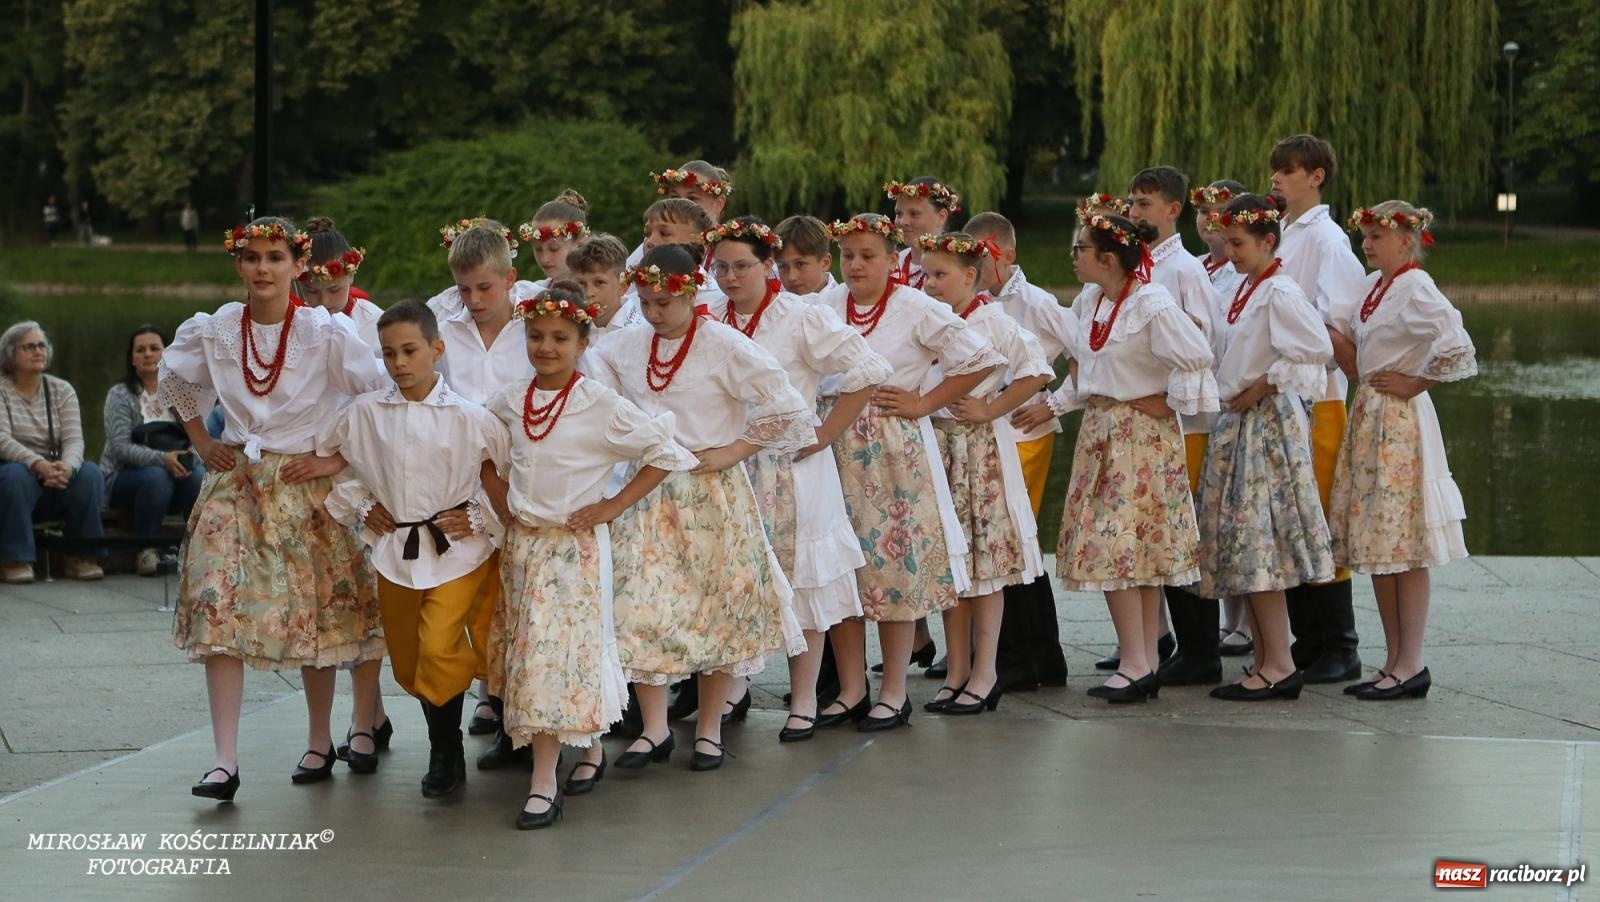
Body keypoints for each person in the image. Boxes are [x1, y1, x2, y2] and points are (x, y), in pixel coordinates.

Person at [162, 217, 387, 801]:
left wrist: (334, 459)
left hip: (301, 481)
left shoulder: (324, 330)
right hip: (236, 482)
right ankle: (224, 760)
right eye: (252, 257)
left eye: (275, 258)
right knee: (217, 606)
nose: (262, 268)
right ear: (238, 263)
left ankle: (319, 739)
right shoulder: (216, 327)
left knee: (316, 611)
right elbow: (175, 378)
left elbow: (378, 394)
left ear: (297, 266)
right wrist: (201, 440)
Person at [589, 244, 812, 771]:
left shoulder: (724, 345)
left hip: (712, 492)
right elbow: (604, 402)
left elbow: (787, 405)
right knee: (640, 607)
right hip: (650, 491)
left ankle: (710, 728)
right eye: (645, 302)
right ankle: (655, 728)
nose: (653, 312)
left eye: (664, 302)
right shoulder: (622, 347)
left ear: (690, 292)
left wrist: (734, 450)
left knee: (718, 609)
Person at [483, 283, 698, 828]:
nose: (546, 347)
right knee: (533, 656)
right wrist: (498, 494)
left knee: (554, 659)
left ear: (582, 343)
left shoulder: (598, 404)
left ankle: (542, 782)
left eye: (560, 338)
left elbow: (665, 452)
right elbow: (482, 449)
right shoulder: (510, 400)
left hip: (573, 550)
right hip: (522, 548)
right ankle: (591, 747)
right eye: (536, 336)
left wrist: (613, 504)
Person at [703, 217, 893, 741]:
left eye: (743, 266)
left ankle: (805, 697)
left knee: (804, 580)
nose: (730, 278)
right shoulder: (709, 316)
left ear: (767, 265)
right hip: (732, 460)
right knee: (733, 574)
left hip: (793, 461)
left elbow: (868, 369)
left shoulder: (799, 316)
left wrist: (825, 433)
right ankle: (733, 686)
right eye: (722, 267)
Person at [814, 214, 1003, 731]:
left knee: (890, 567)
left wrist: (923, 403)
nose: (855, 265)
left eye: (868, 256)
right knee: (843, 569)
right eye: (848, 255)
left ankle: (894, 691)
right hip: (833, 441)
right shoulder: (826, 304)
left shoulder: (915, 306)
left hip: (890, 448)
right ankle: (852, 688)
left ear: (892, 259)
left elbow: (982, 359)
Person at [320, 299, 508, 796]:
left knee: (441, 645)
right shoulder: (364, 413)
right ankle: (456, 732)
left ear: (436, 349)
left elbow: (508, 478)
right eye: (389, 353)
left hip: (458, 551)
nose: (399, 363)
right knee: (408, 660)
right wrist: (363, 504)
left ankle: (446, 753)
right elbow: (332, 460)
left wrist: (477, 516)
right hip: (395, 549)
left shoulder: (471, 417)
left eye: (410, 351)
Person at [1043, 213, 1218, 703]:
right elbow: (1087, 372)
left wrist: (1170, 401)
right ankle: (1141, 660)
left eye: (1080, 249)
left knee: (1121, 545)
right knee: (1123, 549)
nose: (1074, 257)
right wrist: (1053, 406)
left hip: (1139, 437)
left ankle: (1138, 663)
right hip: (1101, 432)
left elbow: (1197, 355)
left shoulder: (1150, 302)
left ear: (1108, 258)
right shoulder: (1092, 302)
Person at [1331, 202, 1475, 700]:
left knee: (1404, 540)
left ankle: (1410, 661)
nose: (1367, 244)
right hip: (1370, 413)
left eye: (1377, 237)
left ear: (1406, 240)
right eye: (1366, 236)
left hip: (1398, 419)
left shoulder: (1415, 286)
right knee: (1380, 539)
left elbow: (1455, 343)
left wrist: (1414, 382)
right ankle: (1393, 660)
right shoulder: (1375, 287)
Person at [1196, 195, 1336, 702]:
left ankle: (1279, 664)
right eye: (1228, 242)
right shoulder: (1247, 287)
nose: (1230, 252)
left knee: (1260, 544)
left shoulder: (1280, 291)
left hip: (1265, 428)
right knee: (1241, 543)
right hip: (1239, 423)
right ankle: (1265, 658)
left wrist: (1263, 384)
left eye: (1238, 243)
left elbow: (1317, 352)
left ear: (1267, 241)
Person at [915, 232, 1051, 715]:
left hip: (978, 451)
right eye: (926, 274)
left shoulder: (992, 319)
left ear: (970, 276)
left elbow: (1036, 370)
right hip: (939, 446)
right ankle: (957, 669)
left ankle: (986, 671)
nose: (930, 284)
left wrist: (991, 409)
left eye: (941, 275)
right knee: (954, 566)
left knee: (985, 562)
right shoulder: (928, 317)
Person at [1270, 134, 1371, 684]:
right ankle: (1307, 638)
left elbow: (1341, 325)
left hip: (1319, 396)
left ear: (1316, 177)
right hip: (1283, 394)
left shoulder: (1328, 240)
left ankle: (1340, 643)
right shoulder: (1283, 233)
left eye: (1288, 170)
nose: (1277, 179)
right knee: (1291, 517)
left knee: (1320, 513)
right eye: (1275, 170)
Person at [431, 220, 531, 768]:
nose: (473, 300)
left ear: (511, 279)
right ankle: (487, 706)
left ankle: (520, 722)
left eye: (485, 288)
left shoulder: (536, 326)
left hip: (522, 483)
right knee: (474, 607)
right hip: (462, 485)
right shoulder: (444, 328)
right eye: (464, 289)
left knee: (517, 605)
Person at [969, 211, 1075, 692]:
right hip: (989, 430)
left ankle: (1028, 655)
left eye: (982, 258)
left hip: (1024, 431)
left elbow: (1085, 352)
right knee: (1007, 541)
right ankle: (1034, 656)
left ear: (1007, 255)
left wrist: (1054, 403)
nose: (976, 268)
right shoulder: (973, 303)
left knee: (1015, 538)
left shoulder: (1037, 302)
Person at [1127, 165, 1225, 688]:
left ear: (1173, 210)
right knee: (1155, 530)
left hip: (1182, 421)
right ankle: (1157, 640)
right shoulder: (1139, 266)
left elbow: (1205, 342)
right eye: (1131, 203)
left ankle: (1201, 648)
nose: (1134, 212)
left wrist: (1172, 399)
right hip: (1145, 420)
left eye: (1145, 204)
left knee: (1182, 530)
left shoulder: (1184, 270)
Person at [1190, 178, 1254, 658]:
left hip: (1232, 399)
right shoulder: (1197, 269)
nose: (1210, 220)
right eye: (1203, 211)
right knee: (1214, 516)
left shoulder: (1244, 272)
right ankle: (1228, 619)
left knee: (1240, 514)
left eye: (1221, 212)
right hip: (1207, 401)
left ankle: (1247, 623)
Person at [0, 322, 106, 583]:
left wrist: (68, 467)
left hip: (56, 476)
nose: (38, 351)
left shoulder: (62, 390)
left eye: (42, 345)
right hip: (17, 477)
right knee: (14, 476)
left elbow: (74, 439)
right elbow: (2, 440)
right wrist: (37, 463)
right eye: (29, 346)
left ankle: (82, 556)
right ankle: (15, 559)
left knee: (90, 474)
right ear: (11, 354)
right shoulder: (2, 391)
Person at [100, 325, 206, 576]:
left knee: (199, 478)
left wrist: (187, 459)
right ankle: (146, 550)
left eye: (154, 348)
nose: (147, 354)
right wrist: (163, 459)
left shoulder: (180, 391)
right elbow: (120, 448)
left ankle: (198, 549)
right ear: (132, 358)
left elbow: (199, 437)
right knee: (156, 478)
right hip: (126, 475)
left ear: (166, 354)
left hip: (175, 471)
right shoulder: (120, 394)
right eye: (140, 350)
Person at [293, 218, 381, 348]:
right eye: (312, 291)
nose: (324, 302)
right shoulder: (294, 323)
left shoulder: (375, 323)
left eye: (334, 290)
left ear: (351, 276)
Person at [627, 161, 733, 267]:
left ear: (719, 203)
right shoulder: (652, 244)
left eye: (692, 198)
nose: (682, 205)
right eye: (675, 197)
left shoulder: (733, 251)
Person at [885, 177, 960, 291]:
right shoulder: (892, 263)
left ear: (941, 217)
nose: (903, 222)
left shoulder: (957, 266)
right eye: (899, 214)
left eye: (914, 214)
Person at [518, 189, 591, 286]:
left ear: (580, 242)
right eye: (538, 249)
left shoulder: (600, 291)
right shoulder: (530, 291)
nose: (545, 259)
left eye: (554, 249)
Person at [773, 215, 838, 296]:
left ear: (825, 263)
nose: (791, 277)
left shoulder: (843, 302)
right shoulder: (776, 300)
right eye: (783, 267)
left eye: (800, 264)